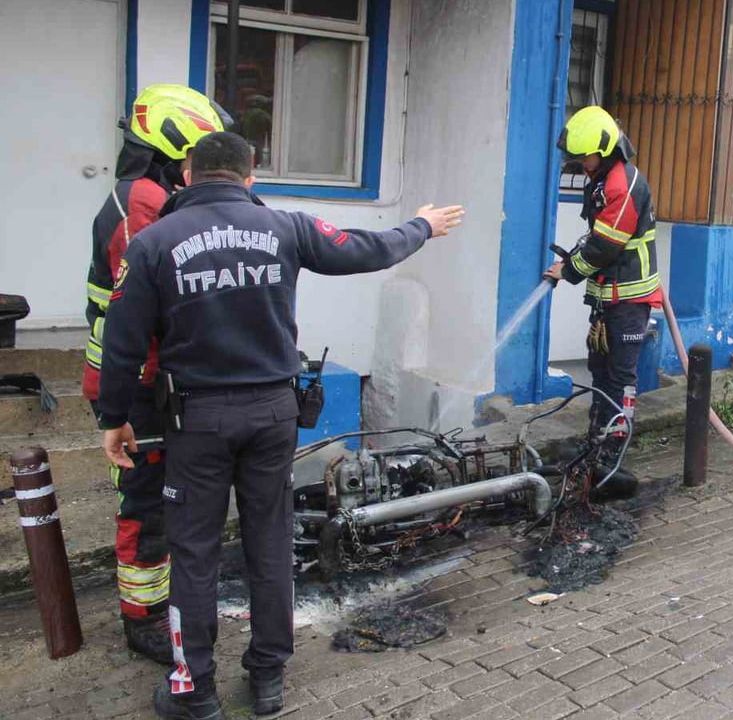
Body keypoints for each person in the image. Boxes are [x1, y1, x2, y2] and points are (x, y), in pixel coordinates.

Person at [96, 132, 464, 719]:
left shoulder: (154, 242)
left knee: (194, 553)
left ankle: (195, 692)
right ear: (250, 178)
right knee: (269, 544)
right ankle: (268, 678)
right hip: (272, 415)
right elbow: (367, 249)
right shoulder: (285, 227)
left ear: (187, 175)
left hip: (199, 420)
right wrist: (421, 226)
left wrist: (113, 418)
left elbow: (122, 343)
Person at [83, 84, 229, 664]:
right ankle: (142, 620)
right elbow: (149, 303)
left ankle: (165, 602)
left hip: (153, 381)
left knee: (168, 500)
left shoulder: (152, 194)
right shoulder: (141, 202)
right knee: (145, 506)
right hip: (134, 387)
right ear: (173, 151)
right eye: (195, 160)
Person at [543, 105, 661, 500]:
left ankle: (613, 455)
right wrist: (571, 263)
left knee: (620, 377)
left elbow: (606, 245)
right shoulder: (603, 181)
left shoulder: (623, 184)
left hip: (628, 299)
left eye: (586, 156)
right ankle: (596, 444)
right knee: (600, 370)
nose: (581, 163)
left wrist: (568, 270)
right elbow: (596, 237)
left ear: (606, 149)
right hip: (608, 297)